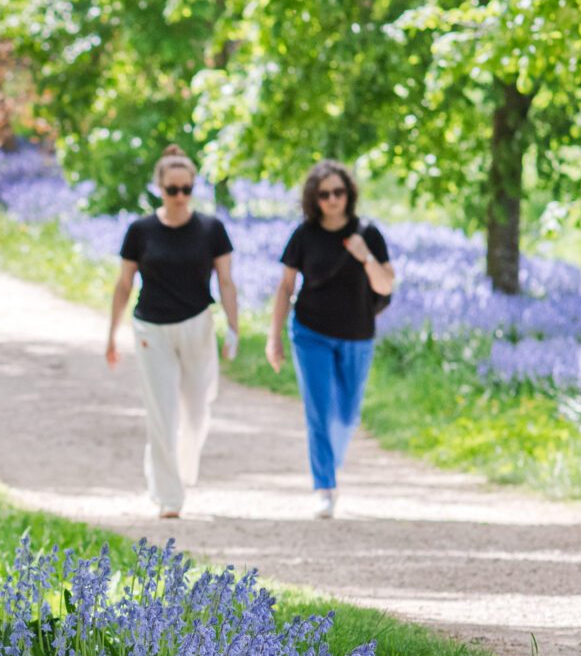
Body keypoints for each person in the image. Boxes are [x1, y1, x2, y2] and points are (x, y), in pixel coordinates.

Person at [105, 145, 241, 519]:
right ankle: (169, 496)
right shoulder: (140, 231)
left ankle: (175, 469)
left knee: (196, 412)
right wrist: (112, 334)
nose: (179, 197)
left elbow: (226, 282)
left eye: (186, 189)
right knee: (162, 411)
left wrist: (234, 326)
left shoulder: (212, 229)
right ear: (159, 189)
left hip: (197, 323)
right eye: (172, 190)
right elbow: (123, 285)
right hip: (152, 328)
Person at [265, 159, 396, 518]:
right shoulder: (303, 235)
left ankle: (330, 462)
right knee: (319, 411)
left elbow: (385, 284)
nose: (332, 200)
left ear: (349, 194)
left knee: (348, 414)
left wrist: (364, 256)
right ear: (314, 199)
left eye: (338, 192)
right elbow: (285, 286)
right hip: (310, 332)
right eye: (324, 194)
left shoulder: (368, 234)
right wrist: (273, 337)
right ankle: (324, 485)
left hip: (357, 334)